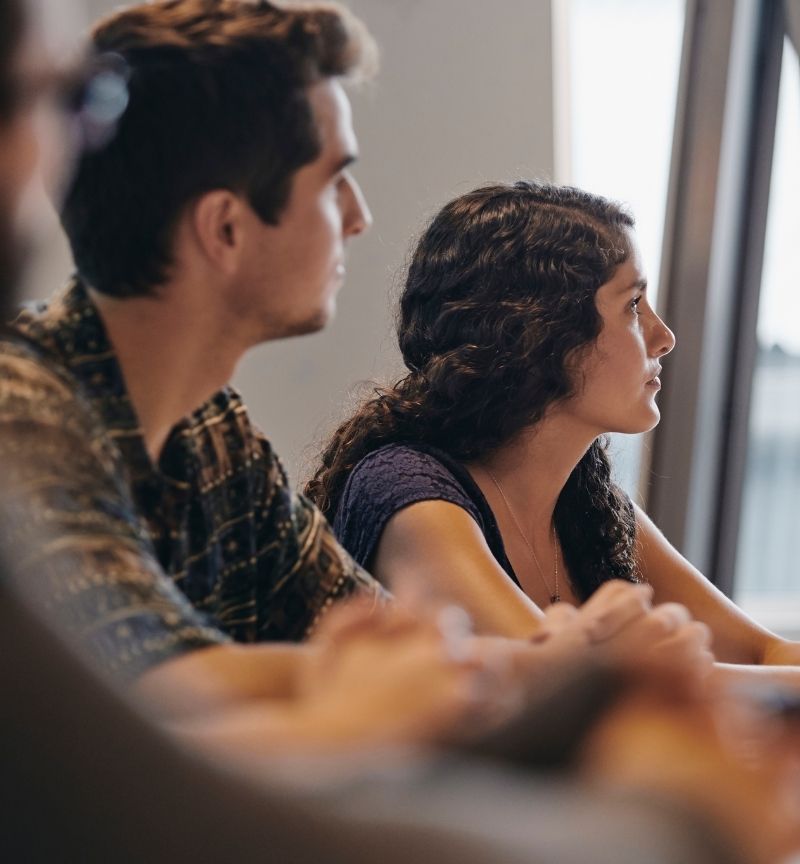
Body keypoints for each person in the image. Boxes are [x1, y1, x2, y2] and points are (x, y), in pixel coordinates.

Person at [2, 4, 800, 864]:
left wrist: (561, 667)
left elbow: (409, 653)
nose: (358, 216)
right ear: (227, 228)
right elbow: (148, 724)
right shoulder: (28, 412)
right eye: (333, 179)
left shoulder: (213, 432)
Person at [308, 181, 800, 682]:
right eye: (633, 306)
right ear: (540, 331)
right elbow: (573, 693)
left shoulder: (587, 502)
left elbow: (762, 653)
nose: (664, 336)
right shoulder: (407, 495)